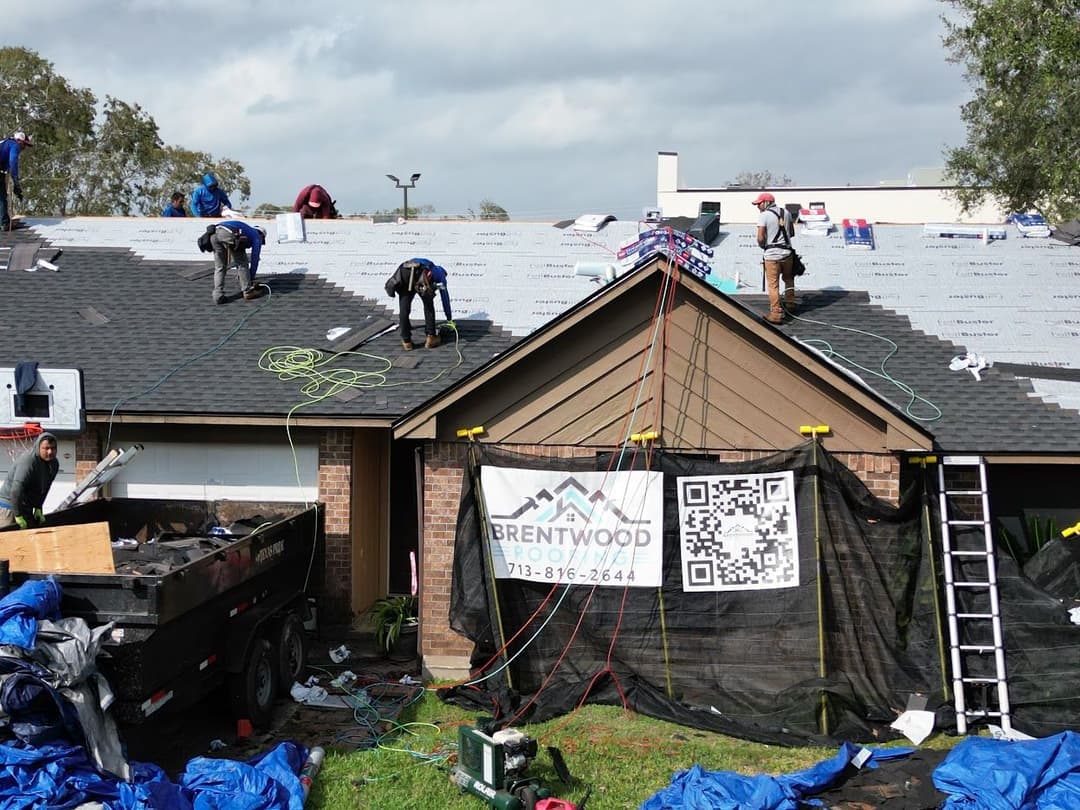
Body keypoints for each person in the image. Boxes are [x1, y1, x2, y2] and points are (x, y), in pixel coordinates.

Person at [384, 258, 452, 350]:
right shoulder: (440, 274)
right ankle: (431, 337)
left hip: (404, 271)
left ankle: (406, 341)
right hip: (422, 273)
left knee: (404, 307)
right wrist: (449, 318)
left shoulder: (433, 267)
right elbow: (445, 298)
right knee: (428, 305)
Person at [0, 432, 59, 530]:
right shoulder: (28, 461)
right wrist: (18, 515)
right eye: (46, 448)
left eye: (53, 448)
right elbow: (16, 489)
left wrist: (38, 507)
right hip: (9, 507)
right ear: (38, 447)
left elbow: (44, 489)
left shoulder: (54, 465)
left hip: (26, 507)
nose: (50, 452)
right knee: (8, 541)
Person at [753, 192, 796, 324]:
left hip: (772, 255)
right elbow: (792, 233)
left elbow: (760, 238)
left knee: (773, 285)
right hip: (787, 253)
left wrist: (764, 245)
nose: (757, 206)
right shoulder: (786, 213)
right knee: (788, 279)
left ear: (766, 203)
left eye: (759, 204)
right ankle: (790, 305)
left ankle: (776, 313)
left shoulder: (764, 215)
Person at [209, 220, 266, 304]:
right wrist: (251, 277)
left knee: (220, 267)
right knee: (242, 263)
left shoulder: (246, 230)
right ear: (262, 235)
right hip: (227, 233)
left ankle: (217, 296)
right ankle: (248, 291)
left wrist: (242, 275)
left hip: (214, 233)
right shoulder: (257, 236)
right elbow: (255, 258)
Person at [0, 131, 32, 231]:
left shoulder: (4, 142)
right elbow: (13, 162)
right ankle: (4, 223)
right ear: (19, 141)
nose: (24, 148)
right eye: (24, 145)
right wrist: (16, 183)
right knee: (1, 196)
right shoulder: (14, 145)